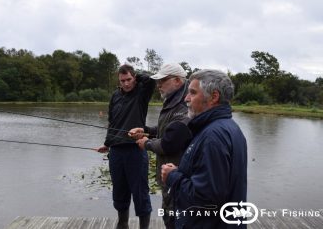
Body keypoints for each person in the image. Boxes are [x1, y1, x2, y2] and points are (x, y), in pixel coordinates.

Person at [161, 69, 248, 229]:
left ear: (214, 97)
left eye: (192, 93)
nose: (186, 98)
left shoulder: (212, 136)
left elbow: (205, 199)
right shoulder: (230, 128)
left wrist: (173, 176)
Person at [128, 63, 192, 229]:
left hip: (178, 174)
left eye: (163, 81)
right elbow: (167, 130)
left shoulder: (183, 105)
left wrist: (146, 143)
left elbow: (170, 143)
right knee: (169, 215)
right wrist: (146, 130)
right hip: (170, 176)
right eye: (157, 81)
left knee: (174, 219)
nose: (158, 85)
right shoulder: (173, 100)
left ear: (177, 80)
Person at [95, 64, 155, 229]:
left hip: (136, 150)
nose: (126, 84)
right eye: (123, 81)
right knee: (119, 192)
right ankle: (123, 224)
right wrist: (107, 144)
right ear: (118, 81)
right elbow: (112, 122)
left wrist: (137, 78)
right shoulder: (115, 96)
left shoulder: (142, 93)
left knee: (140, 193)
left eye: (129, 79)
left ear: (134, 78)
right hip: (116, 152)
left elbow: (150, 80)